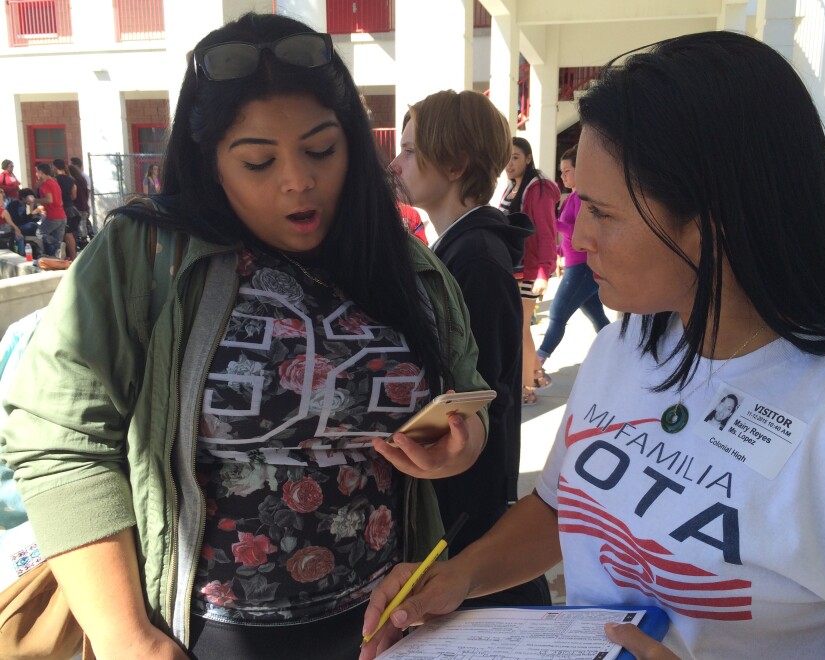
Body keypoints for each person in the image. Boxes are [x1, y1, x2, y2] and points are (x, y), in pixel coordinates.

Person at [361, 31, 825, 660]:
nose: (576, 234)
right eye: (579, 201)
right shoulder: (627, 347)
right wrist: (462, 577)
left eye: (602, 212)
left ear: (710, 226)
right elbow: (560, 510)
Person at [2, 13, 488, 660]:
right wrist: (128, 636)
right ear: (209, 163)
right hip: (202, 636)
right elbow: (58, 437)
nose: (297, 179)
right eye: (258, 160)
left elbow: (467, 393)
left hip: (387, 630)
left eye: (320, 150)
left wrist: (458, 448)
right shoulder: (144, 255)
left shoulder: (403, 264)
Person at [390, 89, 534, 553]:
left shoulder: (475, 261)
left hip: (465, 502)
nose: (396, 164)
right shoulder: (459, 248)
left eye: (410, 151)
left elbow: (480, 396)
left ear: (455, 166)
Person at [536, 145, 610, 368]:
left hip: (582, 266)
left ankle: (536, 363)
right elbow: (569, 237)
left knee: (558, 314)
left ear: (580, 170)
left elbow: (580, 232)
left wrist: (552, 222)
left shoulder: (584, 198)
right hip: (576, 265)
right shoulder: (573, 197)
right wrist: (558, 252)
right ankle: (622, 353)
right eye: (561, 172)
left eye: (566, 171)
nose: (562, 176)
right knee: (599, 320)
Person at [499, 137, 559, 405]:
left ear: (528, 158)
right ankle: (534, 375)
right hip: (513, 269)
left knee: (519, 328)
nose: (509, 163)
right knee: (517, 328)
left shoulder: (539, 189)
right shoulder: (511, 188)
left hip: (530, 269)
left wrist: (544, 273)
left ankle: (526, 387)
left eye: (515, 157)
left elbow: (547, 232)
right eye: (507, 158)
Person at [32, 163, 67, 256]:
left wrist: (34, 200)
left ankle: (58, 245)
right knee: (58, 248)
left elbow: (49, 199)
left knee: (40, 232)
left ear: (41, 172)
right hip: (62, 215)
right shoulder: (54, 182)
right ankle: (58, 260)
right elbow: (60, 201)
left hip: (53, 216)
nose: (36, 174)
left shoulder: (45, 184)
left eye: (37, 171)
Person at [53, 158, 82, 240]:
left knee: (62, 234)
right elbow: (74, 196)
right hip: (72, 209)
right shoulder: (71, 179)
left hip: (61, 209)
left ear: (55, 167)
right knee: (73, 233)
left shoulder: (54, 180)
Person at [69, 162, 92, 243]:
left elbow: (74, 196)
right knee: (83, 225)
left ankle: (82, 241)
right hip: (84, 205)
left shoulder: (74, 181)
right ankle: (84, 240)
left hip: (78, 206)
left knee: (79, 226)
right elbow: (86, 193)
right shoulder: (82, 180)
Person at [0, 189, 25, 254]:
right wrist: (17, 230)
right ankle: (21, 254)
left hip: (2, 232)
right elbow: (11, 223)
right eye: (2, 199)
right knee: (20, 237)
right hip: (5, 233)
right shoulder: (3, 211)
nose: (3, 201)